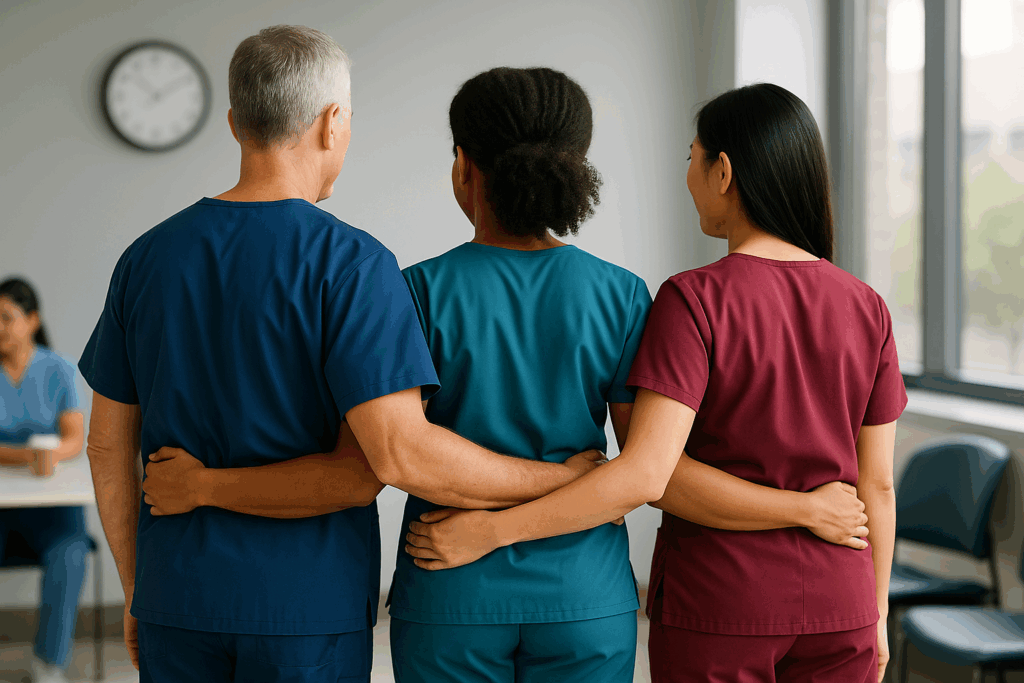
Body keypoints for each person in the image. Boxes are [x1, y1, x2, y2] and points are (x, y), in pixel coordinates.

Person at [142, 71, 871, 683]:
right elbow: (646, 465)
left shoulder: (415, 289)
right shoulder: (622, 293)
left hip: (449, 582)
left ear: (465, 167)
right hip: (586, 596)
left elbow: (394, 451)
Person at [78, 26, 605, 683]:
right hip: (306, 609)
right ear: (334, 123)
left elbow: (106, 447)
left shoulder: (147, 257)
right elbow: (390, 459)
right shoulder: (353, 264)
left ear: (237, 122)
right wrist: (574, 478)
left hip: (177, 598)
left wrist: (138, 587)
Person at [408, 83, 905, 683]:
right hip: (599, 594)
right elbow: (875, 485)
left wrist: (490, 528)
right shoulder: (626, 293)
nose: (687, 175)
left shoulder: (417, 290)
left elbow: (651, 471)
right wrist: (873, 608)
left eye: (691, 158)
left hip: (470, 584)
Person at [0, 278, 88, 683]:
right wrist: (27, 457)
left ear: (32, 320)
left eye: (7, 318)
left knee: (69, 552)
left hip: (52, 509)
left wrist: (51, 455)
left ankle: (49, 666)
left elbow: (74, 436)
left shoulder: (59, 368)